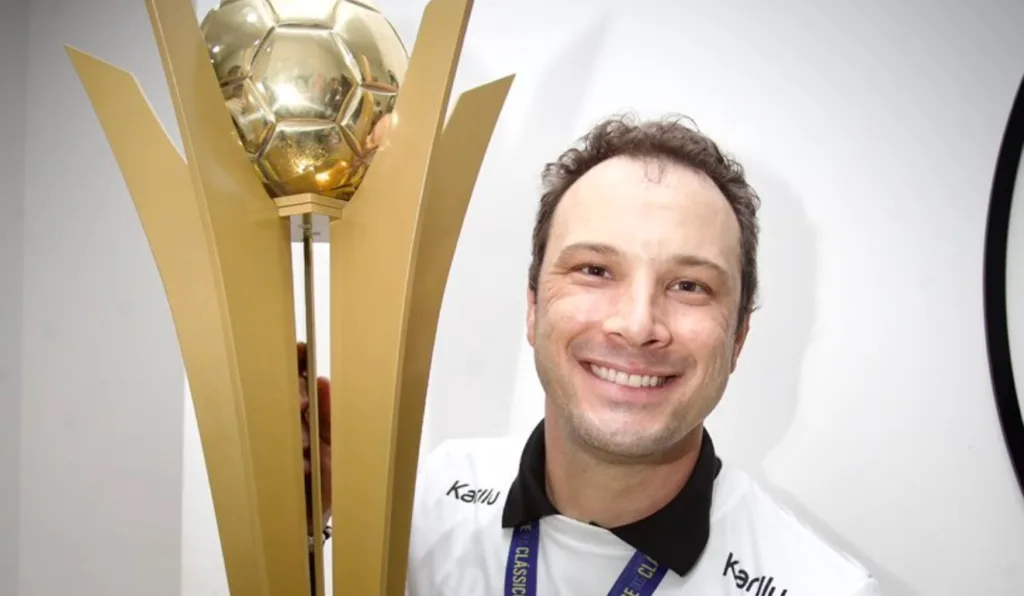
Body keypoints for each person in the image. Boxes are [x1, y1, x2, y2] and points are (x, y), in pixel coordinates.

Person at [300, 113, 883, 595]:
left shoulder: (822, 588)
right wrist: (305, 537)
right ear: (534, 308)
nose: (637, 326)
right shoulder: (427, 501)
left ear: (737, 339)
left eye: (689, 285)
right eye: (595, 270)